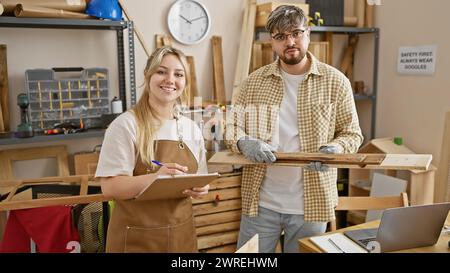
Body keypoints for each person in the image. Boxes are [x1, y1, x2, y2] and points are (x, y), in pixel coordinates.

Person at [225, 5, 363, 253]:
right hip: (261, 202)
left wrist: (335, 149)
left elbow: (352, 133)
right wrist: (244, 142)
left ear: (308, 33)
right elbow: (231, 126)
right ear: (272, 42)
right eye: (280, 36)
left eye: (296, 33)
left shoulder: (336, 82)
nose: (290, 41)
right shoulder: (253, 82)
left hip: (312, 205)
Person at [95, 46, 209, 253]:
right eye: (161, 71)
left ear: (185, 82)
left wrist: (201, 188)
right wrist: (155, 178)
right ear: (148, 76)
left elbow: (200, 177)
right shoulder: (126, 125)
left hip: (180, 237)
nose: (170, 80)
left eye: (178, 74)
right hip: (137, 240)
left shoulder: (191, 127)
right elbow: (111, 188)